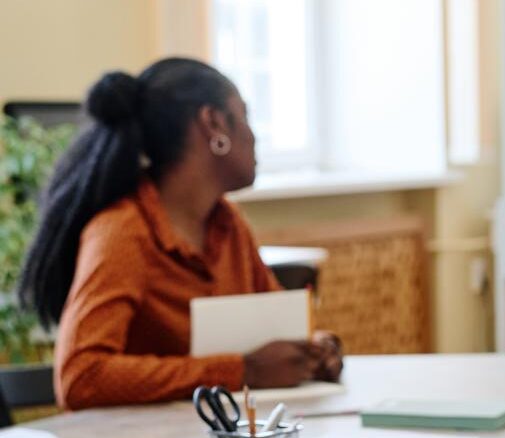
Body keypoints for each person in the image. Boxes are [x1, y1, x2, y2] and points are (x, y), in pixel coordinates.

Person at [18, 58, 342, 410]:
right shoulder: (123, 232)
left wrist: (310, 351)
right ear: (214, 123)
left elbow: (274, 335)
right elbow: (80, 377)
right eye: (245, 117)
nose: (254, 134)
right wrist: (242, 370)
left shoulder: (227, 222)